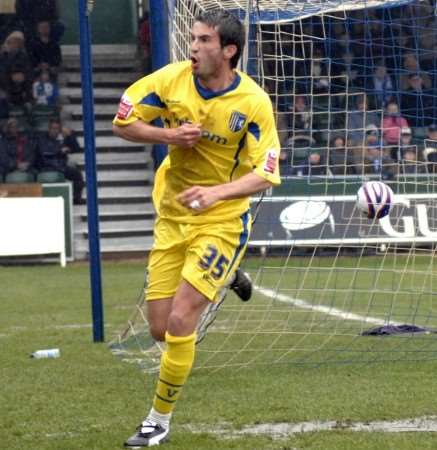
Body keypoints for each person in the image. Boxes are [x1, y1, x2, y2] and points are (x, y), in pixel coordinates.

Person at [112, 9, 281, 448]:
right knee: (160, 330)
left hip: (221, 220)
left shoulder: (253, 102)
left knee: (183, 322)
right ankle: (226, 276)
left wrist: (216, 194)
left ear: (229, 51)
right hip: (172, 215)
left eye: (204, 40)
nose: (193, 47)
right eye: (193, 38)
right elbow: (123, 122)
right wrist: (169, 138)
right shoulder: (171, 80)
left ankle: (157, 421)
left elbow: (266, 173)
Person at [36, 118, 85, 204]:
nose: (54, 131)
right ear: (49, 128)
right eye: (53, 128)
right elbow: (44, 152)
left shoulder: (62, 138)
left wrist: (70, 135)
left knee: (77, 174)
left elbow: (76, 148)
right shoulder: (42, 138)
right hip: (47, 166)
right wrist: (59, 151)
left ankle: (76, 199)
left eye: (57, 129)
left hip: (61, 166)